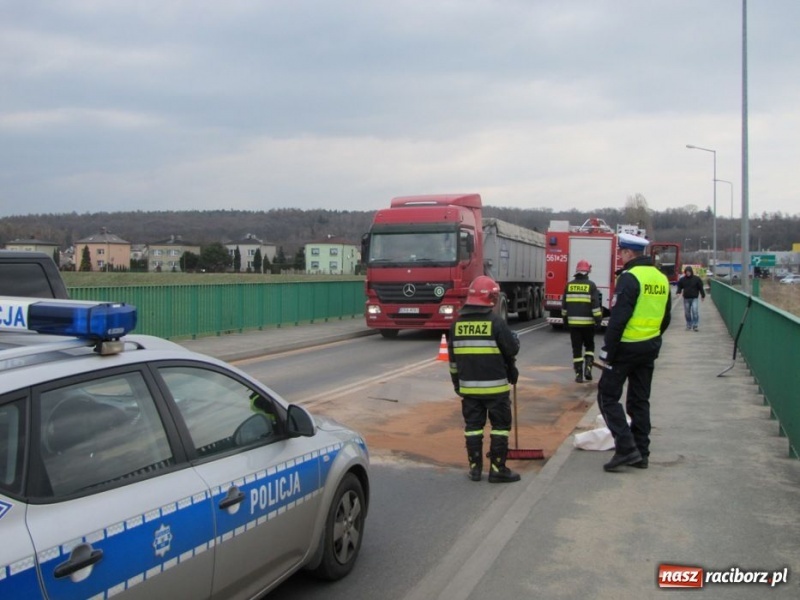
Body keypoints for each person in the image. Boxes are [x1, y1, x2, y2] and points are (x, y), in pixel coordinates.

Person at [597, 233, 671, 472]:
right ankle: (642, 452)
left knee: (607, 396)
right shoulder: (661, 278)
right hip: (649, 347)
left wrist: (608, 349)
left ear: (629, 253)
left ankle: (626, 448)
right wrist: (652, 337)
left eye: (621, 252)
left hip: (626, 348)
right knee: (640, 400)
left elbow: (619, 318)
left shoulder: (629, 278)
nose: (620, 256)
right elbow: (666, 317)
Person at [448, 275, 521, 483]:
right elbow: (511, 349)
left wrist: (457, 385)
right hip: (496, 390)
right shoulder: (496, 322)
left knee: (473, 427)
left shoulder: (456, 326)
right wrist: (512, 367)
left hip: (469, 390)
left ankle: (475, 469)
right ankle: (498, 469)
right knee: (499, 427)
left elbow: (453, 362)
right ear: (491, 298)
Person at [562, 259, 603, 383]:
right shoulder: (591, 285)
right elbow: (595, 305)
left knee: (577, 348)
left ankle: (579, 374)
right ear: (587, 271)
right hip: (588, 324)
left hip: (574, 324)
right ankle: (588, 370)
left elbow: (564, 306)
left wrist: (565, 320)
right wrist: (598, 320)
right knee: (589, 346)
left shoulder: (569, 285)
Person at [676, 265, 705, 331]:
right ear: (685, 272)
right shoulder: (682, 279)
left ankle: (695, 325)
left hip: (694, 298)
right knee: (687, 313)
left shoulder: (696, 279)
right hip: (686, 298)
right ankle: (689, 324)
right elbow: (679, 286)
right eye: (686, 272)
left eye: (689, 272)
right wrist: (678, 292)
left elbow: (701, 288)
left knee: (695, 311)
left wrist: (703, 295)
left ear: (691, 272)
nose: (688, 273)